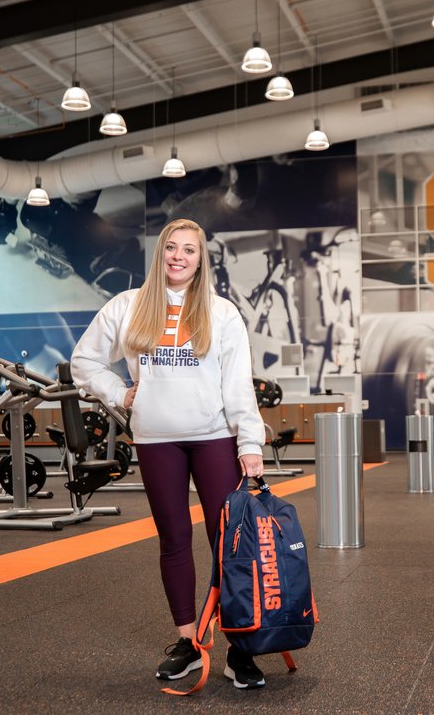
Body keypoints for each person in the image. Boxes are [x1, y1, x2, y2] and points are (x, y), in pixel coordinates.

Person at [70, 218, 268, 689]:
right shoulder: (129, 305)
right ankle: (189, 643)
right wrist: (120, 394)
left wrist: (250, 442)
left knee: (230, 544)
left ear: (202, 260)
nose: (179, 256)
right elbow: (84, 361)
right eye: (171, 248)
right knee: (174, 539)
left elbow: (237, 384)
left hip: (214, 434)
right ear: (160, 254)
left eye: (190, 250)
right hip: (156, 440)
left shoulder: (221, 313)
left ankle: (239, 648)